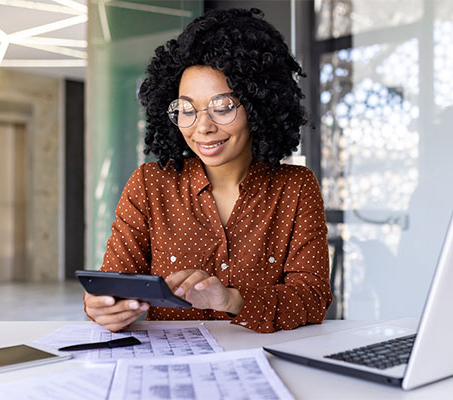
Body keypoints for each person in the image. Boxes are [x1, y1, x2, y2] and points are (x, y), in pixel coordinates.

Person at [83, 8, 331, 333]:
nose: (202, 127)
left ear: (259, 105)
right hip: (171, 368)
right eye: (186, 109)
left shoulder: (295, 188)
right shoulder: (149, 185)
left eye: (223, 107)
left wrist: (230, 300)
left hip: (264, 360)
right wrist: (102, 305)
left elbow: (312, 298)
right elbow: (114, 283)